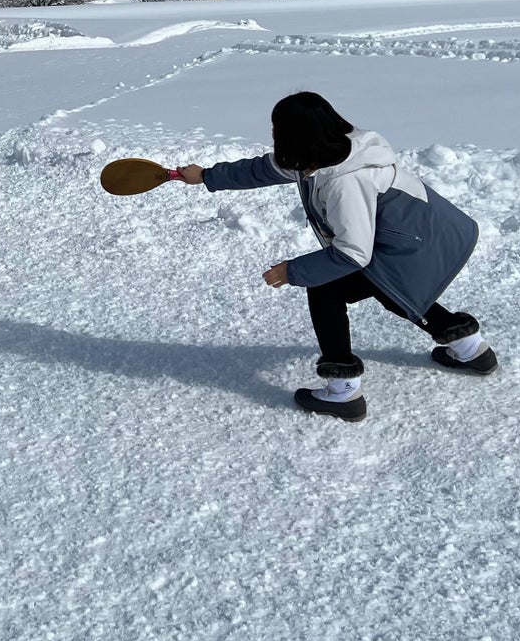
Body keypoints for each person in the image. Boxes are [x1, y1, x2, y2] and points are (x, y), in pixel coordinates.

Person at [176, 91, 494, 421]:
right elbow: (264, 169)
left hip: (417, 245)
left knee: (328, 288)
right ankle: (472, 349)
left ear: (297, 135)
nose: (272, 134)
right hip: (417, 236)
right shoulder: (322, 150)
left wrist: (292, 270)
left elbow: (353, 253)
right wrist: (207, 176)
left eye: (277, 128)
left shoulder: (346, 180)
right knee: (392, 290)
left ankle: (343, 392)